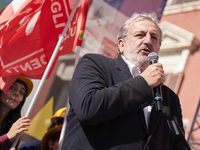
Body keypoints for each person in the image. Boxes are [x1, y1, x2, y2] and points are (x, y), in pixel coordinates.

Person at [60, 12, 187, 150]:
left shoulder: (170, 98)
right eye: (140, 35)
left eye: (154, 37)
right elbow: (88, 108)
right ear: (121, 45)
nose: (148, 41)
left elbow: (177, 145)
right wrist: (143, 83)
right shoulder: (95, 64)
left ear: (158, 49)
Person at [0, 75, 33, 150]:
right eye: (12, 87)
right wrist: (7, 137)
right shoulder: (11, 133)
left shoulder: (15, 129)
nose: (17, 93)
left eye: (21, 92)